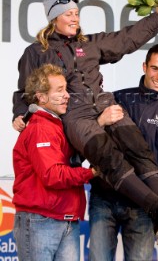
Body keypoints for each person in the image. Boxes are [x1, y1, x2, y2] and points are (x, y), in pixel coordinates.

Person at [12, 0, 158, 242]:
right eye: (68, 14)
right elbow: (24, 90)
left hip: (105, 103)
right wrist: (19, 113)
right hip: (76, 115)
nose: (74, 18)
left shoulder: (89, 43)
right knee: (110, 159)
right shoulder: (36, 52)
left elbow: (125, 39)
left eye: (76, 13)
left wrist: (156, 19)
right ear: (54, 18)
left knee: (139, 149)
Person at [88, 44, 158, 260]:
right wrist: (99, 121)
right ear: (144, 66)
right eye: (154, 68)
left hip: (144, 205)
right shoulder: (117, 99)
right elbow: (87, 134)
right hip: (105, 198)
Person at [12, 63, 96, 261]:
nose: (67, 95)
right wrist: (91, 173)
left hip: (65, 219)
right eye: (60, 90)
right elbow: (53, 175)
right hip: (41, 221)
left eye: (66, 89)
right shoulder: (40, 128)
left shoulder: (57, 125)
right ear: (41, 97)